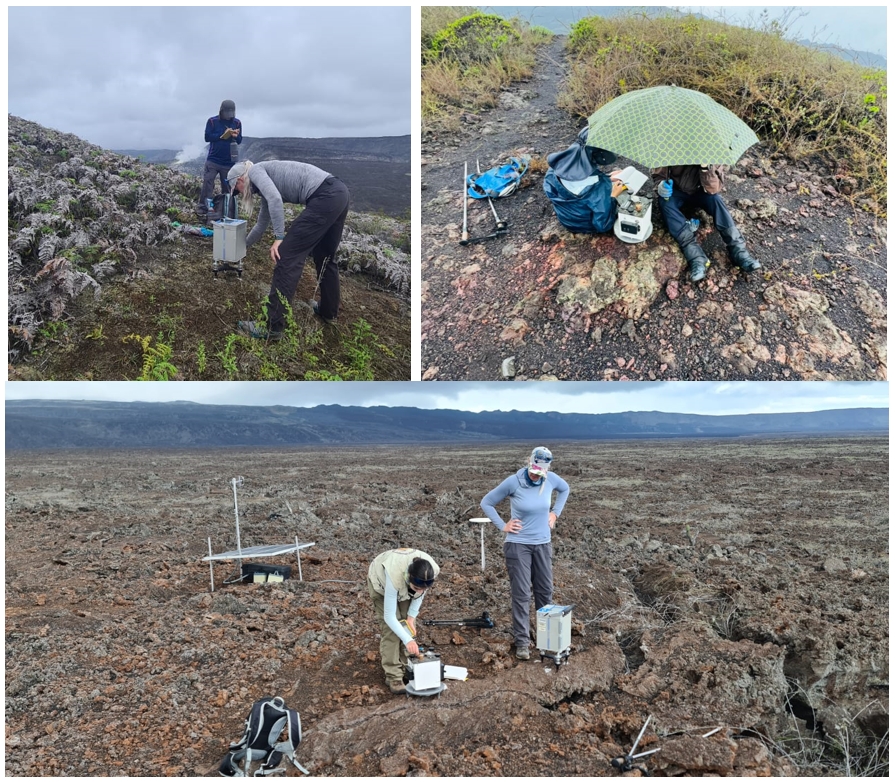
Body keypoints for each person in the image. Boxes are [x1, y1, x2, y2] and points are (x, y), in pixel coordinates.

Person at [228, 160, 350, 340]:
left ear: (239, 179)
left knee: (285, 256)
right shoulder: (264, 184)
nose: (238, 193)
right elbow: (262, 224)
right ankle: (328, 311)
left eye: (236, 189)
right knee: (324, 256)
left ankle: (272, 326)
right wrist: (241, 248)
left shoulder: (255, 171)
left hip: (324, 196)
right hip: (339, 193)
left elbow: (276, 200)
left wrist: (279, 238)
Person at [480, 446, 569, 660]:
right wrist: (503, 525)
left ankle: (547, 640)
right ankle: (522, 642)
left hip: (543, 544)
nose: (536, 474)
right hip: (518, 545)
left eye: (541, 471)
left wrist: (555, 514)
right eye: (534, 469)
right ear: (530, 462)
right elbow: (487, 502)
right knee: (521, 594)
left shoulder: (551, 479)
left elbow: (565, 489)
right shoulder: (514, 481)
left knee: (545, 591)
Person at [652, 164, 761, 283]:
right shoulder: (669, 148)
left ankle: (738, 251)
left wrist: (706, 168)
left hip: (702, 192)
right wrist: (661, 185)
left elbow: (714, 189)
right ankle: (696, 258)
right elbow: (658, 175)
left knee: (716, 200)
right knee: (665, 203)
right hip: (676, 191)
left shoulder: (709, 151)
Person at [366, 548, 440, 694]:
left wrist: (411, 617)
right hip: (381, 583)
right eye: (416, 588)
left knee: (406, 624)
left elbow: (420, 594)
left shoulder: (431, 570)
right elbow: (389, 616)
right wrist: (408, 641)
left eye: (423, 588)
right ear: (409, 578)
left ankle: (406, 666)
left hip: (404, 583)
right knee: (392, 630)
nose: (420, 591)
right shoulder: (395, 576)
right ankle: (394, 676)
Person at [542, 127, 626, 234]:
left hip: (565, 218)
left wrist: (607, 177)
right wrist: (613, 196)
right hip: (584, 225)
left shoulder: (556, 167)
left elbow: (577, 182)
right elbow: (603, 225)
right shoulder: (598, 187)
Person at [198, 100, 242, 218]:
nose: (230, 115)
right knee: (208, 183)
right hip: (213, 159)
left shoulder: (237, 123)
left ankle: (227, 210)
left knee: (227, 187)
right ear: (222, 111)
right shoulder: (212, 121)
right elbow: (207, 137)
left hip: (228, 161)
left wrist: (235, 136)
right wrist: (222, 135)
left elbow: (239, 140)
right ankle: (203, 208)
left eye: (231, 112)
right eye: (227, 112)